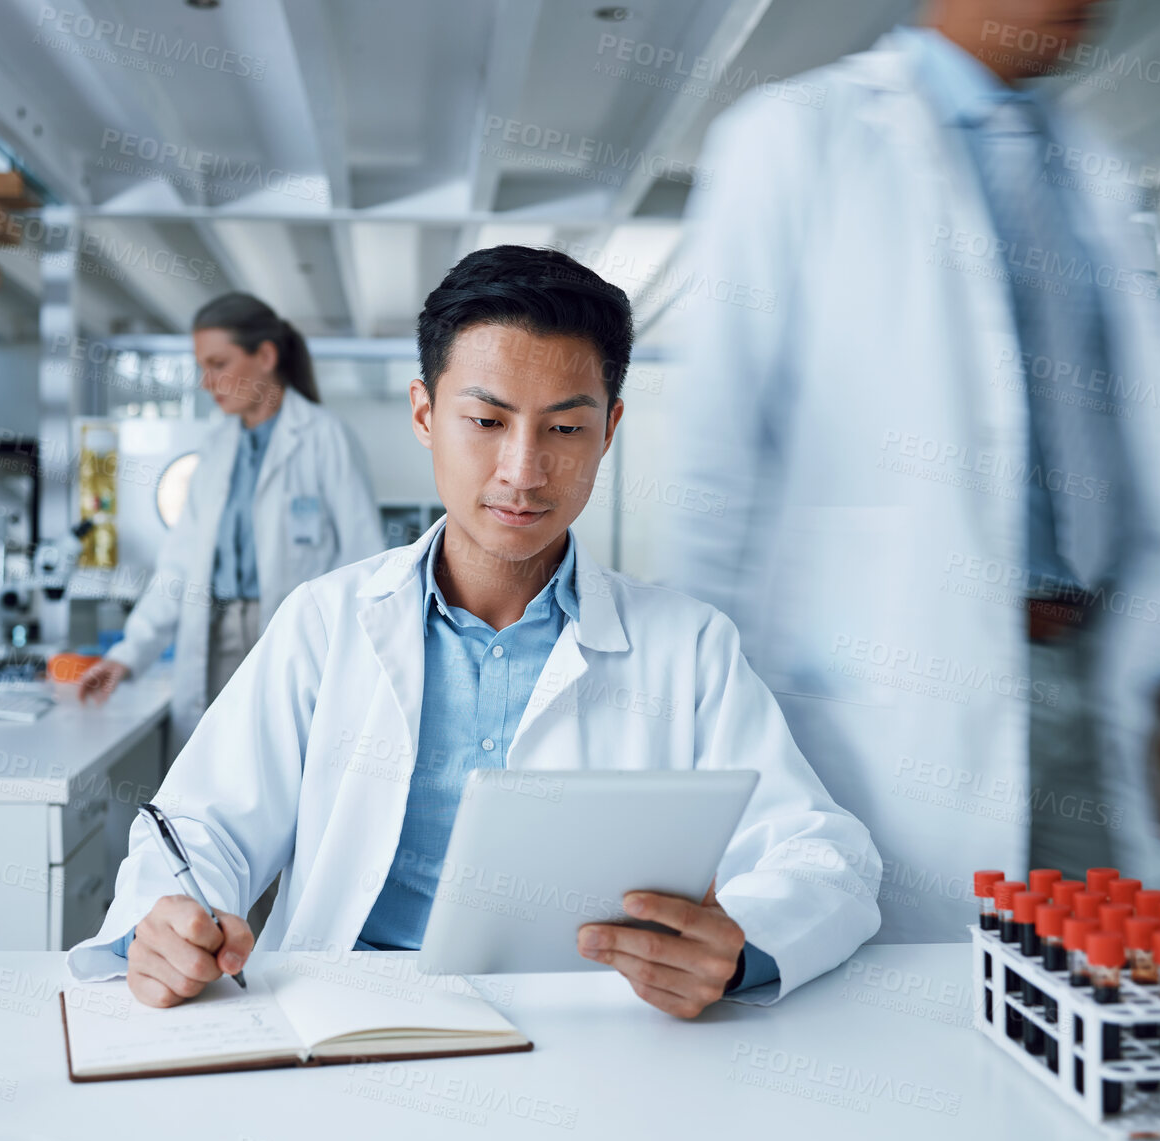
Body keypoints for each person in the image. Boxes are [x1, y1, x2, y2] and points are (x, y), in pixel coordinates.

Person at [67, 246, 882, 1018]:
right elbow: (199, 827)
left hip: (596, 1038)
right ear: (424, 414)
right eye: (486, 421)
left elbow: (824, 854)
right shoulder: (326, 621)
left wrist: (742, 949)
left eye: (564, 428)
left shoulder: (689, 645)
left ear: (610, 426)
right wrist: (165, 922)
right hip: (350, 1026)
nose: (522, 471)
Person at [658, 0, 1160, 943]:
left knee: (1087, 1025)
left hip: (1086, 683)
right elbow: (714, 473)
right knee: (882, 1031)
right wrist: (698, 756)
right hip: (884, 700)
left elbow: (1147, 460)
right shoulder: (797, 137)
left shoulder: (1086, 170)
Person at [77, 294, 385, 758]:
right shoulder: (216, 448)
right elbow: (178, 569)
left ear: (265, 356)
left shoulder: (324, 437)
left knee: (286, 772)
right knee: (215, 774)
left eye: (218, 364)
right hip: (213, 635)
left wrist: (358, 667)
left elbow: (365, 560)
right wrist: (126, 656)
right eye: (201, 366)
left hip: (295, 638)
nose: (207, 383)